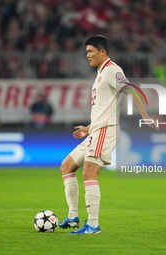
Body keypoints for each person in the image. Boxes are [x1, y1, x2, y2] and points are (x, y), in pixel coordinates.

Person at [58, 35, 151, 234]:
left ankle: (93, 225)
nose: (88, 56)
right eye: (86, 53)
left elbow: (132, 90)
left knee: (89, 173)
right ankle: (73, 217)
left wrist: (145, 115)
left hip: (106, 131)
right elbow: (104, 108)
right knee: (66, 167)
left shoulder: (112, 70)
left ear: (103, 52)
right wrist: (88, 128)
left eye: (91, 51)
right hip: (95, 131)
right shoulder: (101, 72)